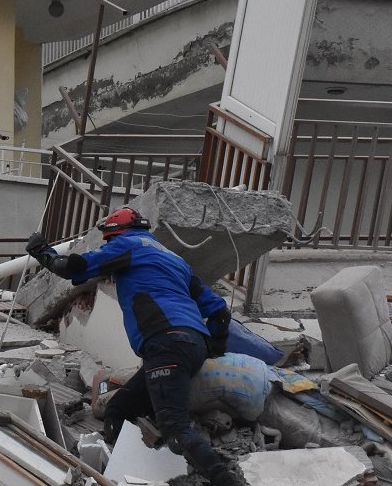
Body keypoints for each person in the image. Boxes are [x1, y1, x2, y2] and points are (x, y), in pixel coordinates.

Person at [26, 208, 247, 486]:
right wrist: (213, 346)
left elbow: (74, 268)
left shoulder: (127, 245)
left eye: (108, 239)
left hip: (166, 343)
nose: (108, 245)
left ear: (115, 232)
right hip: (190, 345)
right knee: (118, 408)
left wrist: (42, 252)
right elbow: (219, 312)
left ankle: (227, 481)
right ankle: (128, 472)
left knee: (176, 429)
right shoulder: (174, 259)